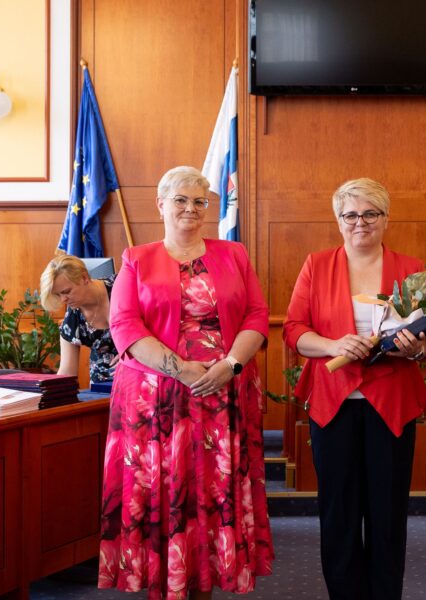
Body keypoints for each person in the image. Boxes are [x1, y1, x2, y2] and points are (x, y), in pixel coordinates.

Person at [101, 166, 274, 599]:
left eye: (200, 201)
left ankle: (207, 582)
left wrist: (231, 364)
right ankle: (168, 581)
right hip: (157, 401)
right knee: (167, 493)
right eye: (180, 199)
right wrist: (181, 369)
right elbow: (124, 325)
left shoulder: (234, 254)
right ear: (161, 204)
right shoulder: (136, 259)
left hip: (224, 394)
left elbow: (256, 315)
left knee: (213, 493)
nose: (190, 208)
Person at [284, 178, 426, 600]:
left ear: (386, 219)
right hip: (333, 403)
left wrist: (416, 349)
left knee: (388, 515)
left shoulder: (412, 269)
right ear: (338, 220)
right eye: (350, 214)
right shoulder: (316, 265)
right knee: (339, 514)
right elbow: (294, 331)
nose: (360, 222)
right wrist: (333, 345)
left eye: (370, 213)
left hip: (392, 403)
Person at [39, 254, 118, 384]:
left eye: (66, 291)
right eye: (58, 295)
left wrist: (135, 355)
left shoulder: (121, 287)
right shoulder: (72, 318)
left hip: (142, 377)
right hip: (101, 387)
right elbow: (66, 372)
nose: (63, 300)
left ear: (84, 278)